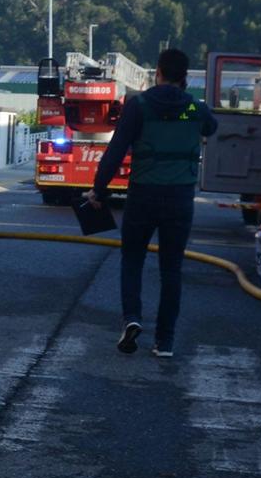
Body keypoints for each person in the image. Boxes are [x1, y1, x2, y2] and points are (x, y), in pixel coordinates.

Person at [85, 48, 218, 358]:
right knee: (171, 270)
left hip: (143, 195)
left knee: (132, 259)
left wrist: (98, 190)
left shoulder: (139, 105)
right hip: (180, 199)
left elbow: (115, 151)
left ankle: (132, 319)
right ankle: (165, 342)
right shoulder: (195, 109)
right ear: (185, 77)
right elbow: (211, 127)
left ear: (157, 72)